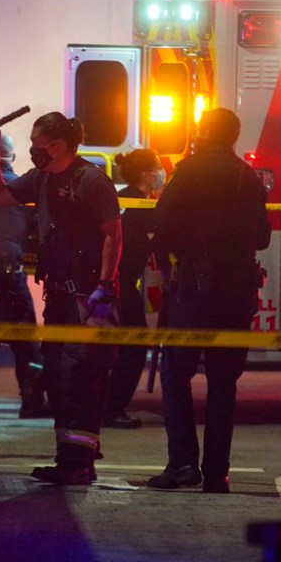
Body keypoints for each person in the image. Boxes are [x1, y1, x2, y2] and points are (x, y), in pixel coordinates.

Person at [0, 111, 122, 485]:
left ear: (56, 145)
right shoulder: (41, 178)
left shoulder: (92, 181)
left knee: (81, 382)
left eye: (37, 143)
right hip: (59, 297)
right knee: (58, 380)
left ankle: (80, 462)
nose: (33, 149)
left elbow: (112, 235)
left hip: (85, 298)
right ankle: (68, 461)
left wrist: (104, 288)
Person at [147, 108, 270, 494]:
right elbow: (263, 237)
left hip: (193, 293)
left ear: (203, 131)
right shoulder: (246, 175)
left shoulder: (190, 170)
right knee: (223, 384)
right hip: (236, 295)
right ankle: (217, 472)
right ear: (233, 136)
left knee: (174, 374)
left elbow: (161, 223)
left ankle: (183, 464)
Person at [0, 134, 49, 418]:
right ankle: (32, 401)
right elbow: (36, 231)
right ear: (12, 158)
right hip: (8, 273)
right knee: (26, 341)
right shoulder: (20, 188)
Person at [101, 149, 165, 429]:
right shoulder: (140, 203)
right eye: (158, 167)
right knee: (133, 349)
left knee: (118, 349)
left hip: (116, 282)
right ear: (145, 173)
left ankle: (107, 405)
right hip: (120, 283)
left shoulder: (127, 197)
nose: (161, 172)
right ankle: (112, 408)